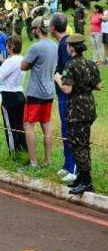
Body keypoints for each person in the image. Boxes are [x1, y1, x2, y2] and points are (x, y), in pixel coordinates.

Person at [54, 34, 102, 195]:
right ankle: (82, 177)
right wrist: (85, 84)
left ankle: (86, 181)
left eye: (68, 46)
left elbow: (67, 89)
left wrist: (58, 78)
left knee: (77, 145)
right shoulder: (90, 63)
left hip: (76, 109)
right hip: (88, 106)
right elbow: (99, 85)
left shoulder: (70, 65)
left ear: (71, 48)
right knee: (84, 143)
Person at [21, 17, 58, 168]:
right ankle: (48, 161)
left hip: (36, 92)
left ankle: (33, 162)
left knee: (28, 125)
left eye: (33, 29)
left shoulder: (36, 47)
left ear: (37, 29)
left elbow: (23, 66)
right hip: (49, 91)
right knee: (46, 125)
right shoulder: (54, 45)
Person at [0, 35, 26, 154]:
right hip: (19, 93)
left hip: (9, 96)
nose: (6, 48)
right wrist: (2, 60)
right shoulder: (21, 59)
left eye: (7, 46)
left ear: (12, 46)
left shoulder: (10, 61)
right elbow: (12, 67)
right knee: (20, 126)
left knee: (10, 127)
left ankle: (13, 153)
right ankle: (23, 149)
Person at [50, 13, 77, 183]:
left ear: (52, 28)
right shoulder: (62, 43)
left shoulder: (65, 44)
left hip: (67, 95)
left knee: (69, 131)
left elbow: (68, 70)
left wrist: (59, 80)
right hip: (62, 95)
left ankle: (73, 167)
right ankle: (67, 164)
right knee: (64, 131)